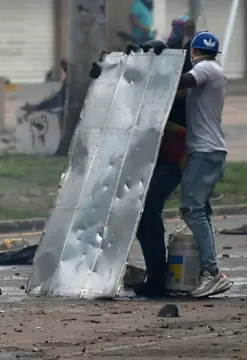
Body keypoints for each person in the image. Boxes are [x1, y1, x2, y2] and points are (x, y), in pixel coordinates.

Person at [133, 18, 195, 298]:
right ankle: (157, 274)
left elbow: (177, 89)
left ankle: (159, 278)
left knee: (148, 212)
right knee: (143, 215)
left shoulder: (179, 77)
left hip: (173, 161)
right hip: (154, 158)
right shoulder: (157, 81)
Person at [174, 30, 232, 298]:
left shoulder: (206, 69)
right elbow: (183, 95)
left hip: (205, 152)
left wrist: (162, 70)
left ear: (193, 53)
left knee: (192, 209)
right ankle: (204, 269)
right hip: (209, 152)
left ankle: (212, 273)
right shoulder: (214, 73)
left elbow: (183, 80)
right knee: (200, 212)